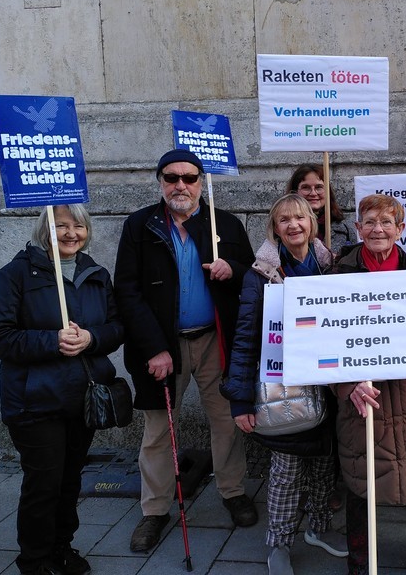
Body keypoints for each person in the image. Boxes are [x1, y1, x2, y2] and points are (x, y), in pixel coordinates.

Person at [113, 149, 257, 552]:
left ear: (200, 181)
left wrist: (234, 270)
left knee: (226, 420)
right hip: (163, 346)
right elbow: (126, 290)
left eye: (190, 178)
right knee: (160, 429)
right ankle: (155, 509)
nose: (181, 185)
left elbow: (252, 278)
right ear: (160, 181)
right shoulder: (140, 225)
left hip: (214, 339)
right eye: (172, 177)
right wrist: (155, 348)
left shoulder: (223, 223)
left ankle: (232, 492)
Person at [0, 205, 123, 575]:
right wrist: (52, 341)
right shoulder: (15, 275)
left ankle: (62, 547)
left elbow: (116, 327)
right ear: (45, 229)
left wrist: (92, 338)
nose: (71, 233)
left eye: (78, 225)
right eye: (61, 226)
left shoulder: (95, 274)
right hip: (34, 401)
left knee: (70, 479)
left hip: (82, 398)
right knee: (44, 483)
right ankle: (35, 560)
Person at [221, 194, 347, 575]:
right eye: (284, 220)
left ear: (313, 222)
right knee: (286, 471)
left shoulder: (333, 267)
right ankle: (278, 544)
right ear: (274, 229)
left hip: (327, 384)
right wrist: (240, 401)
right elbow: (244, 338)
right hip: (283, 389)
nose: (294, 225)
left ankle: (318, 528)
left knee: (325, 465)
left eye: (300, 218)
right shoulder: (259, 275)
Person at [332, 194, 406, 575]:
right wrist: (347, 387)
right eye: (369, 222)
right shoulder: (338, 276)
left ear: (401, 229)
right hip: (363, 398)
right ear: (357, 228)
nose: (377, 229)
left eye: (386, 222)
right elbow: (323, 343)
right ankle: (360, 563)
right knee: (359, 484)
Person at [286, 163, 356, 255]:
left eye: (319, 187)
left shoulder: (345, 229)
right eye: (306, 188)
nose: (313, 193)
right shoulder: (285, 228)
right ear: (295, 192)